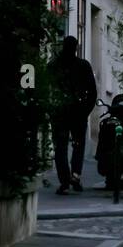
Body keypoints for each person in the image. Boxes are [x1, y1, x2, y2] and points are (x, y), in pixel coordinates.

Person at [49, 36, 97, 195]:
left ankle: (65, 181)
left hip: (61, 112)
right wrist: (85, 110)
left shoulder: (54, 66)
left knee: (60, 147)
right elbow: (92, 92)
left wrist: (51, 109)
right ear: (76, 47)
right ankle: (75, 176)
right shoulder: (82, 65)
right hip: (77, 112)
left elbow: (46, 87)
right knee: (78, 145)